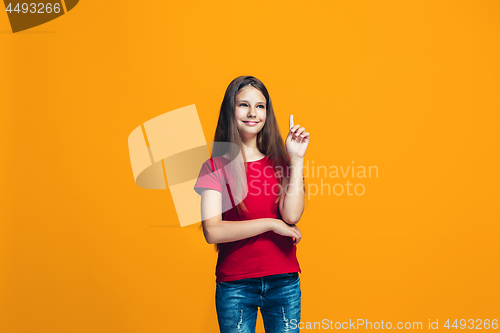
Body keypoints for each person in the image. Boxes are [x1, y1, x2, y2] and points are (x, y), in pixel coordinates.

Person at [193, 75, 310, 333]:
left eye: (260, 106)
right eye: (243, 105)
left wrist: (297, 159)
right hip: (236, 285)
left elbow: (291, 216)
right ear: (230, 110)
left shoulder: (281, 162)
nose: (252, 113)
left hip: (284, 281)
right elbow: (212, 231)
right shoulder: (215, 167)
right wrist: (270, 224)